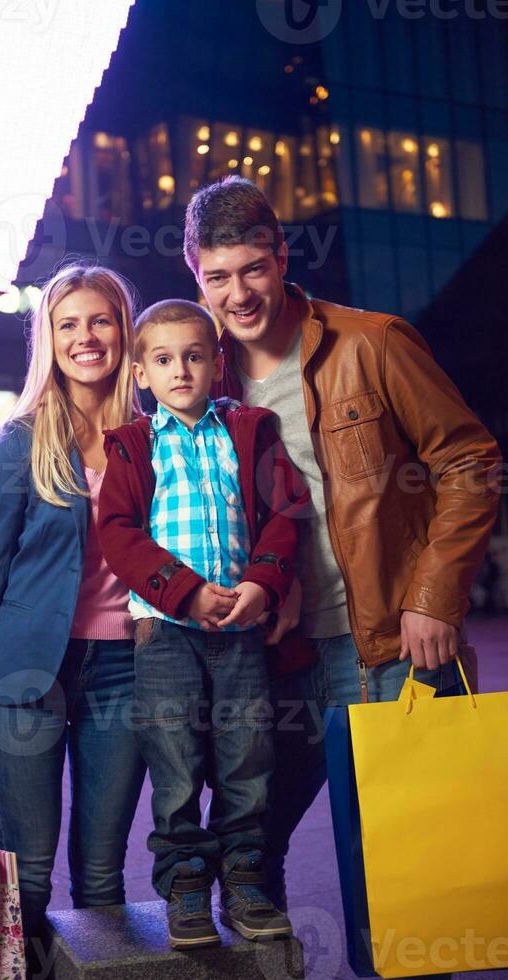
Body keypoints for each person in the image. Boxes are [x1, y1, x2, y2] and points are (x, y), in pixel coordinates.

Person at [183, 177, 501, 923]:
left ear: (281, 254)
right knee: (249, 847)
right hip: (275, 654)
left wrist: (434, 597)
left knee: (411, 862)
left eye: (254, 268)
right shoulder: (198, 374)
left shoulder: (372, 341)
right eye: (218, 277)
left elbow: (470, 460)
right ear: (196, 276)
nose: (239, 293)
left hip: (391, 646)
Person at [0, 264, 147, 966]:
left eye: (100, 321)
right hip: (21, 673)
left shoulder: (156, 439)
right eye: (68, 324)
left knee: (102, 873)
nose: (85, 337)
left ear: (123, 330)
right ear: (48, 340)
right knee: (26, 876)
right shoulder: (22, 441)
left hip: (124, 671)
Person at [97, 299, 309, 949]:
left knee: (249, 760)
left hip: (241, 632)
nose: (180, 370)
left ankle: (242, 882)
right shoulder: (133, 445)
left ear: (218, 364)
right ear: (141, 374)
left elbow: (286, 513)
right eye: (163, 360)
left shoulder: (250, 429)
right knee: (178, 765)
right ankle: (186, 886)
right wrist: (184, 593)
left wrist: (260, 584)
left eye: (194, 356)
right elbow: (118, 534)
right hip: (166, 633)